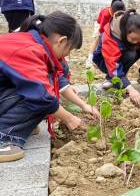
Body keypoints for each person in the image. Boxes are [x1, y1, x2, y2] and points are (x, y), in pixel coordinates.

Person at [0, 11, 98, 163]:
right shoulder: (29, 50)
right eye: (69, 50)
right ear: (62, 41)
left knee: (45, 91)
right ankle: (5, 136)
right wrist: (69, 118)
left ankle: (18, 124)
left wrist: (84, 106)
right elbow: (41, 95)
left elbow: (57, 79)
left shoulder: (34, 42)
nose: (66, 56)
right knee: (41, 96)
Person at [93, 9, 140, 106]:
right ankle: (111, 79)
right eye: (133, 39)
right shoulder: (112, 36)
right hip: (105, 60)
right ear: (125, 31)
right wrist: (131, 89)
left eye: (139, 39)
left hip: (125, 50)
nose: (136, 41)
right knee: (131, 54)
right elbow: (113, 65)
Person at [85, 0, 126, 68]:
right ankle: (90, 59)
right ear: (113, 11)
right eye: (117, 13)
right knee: (97, 39)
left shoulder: (122, 11)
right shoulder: (106, 14)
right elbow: (101, 29)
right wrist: (103, 38)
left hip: (111, 23)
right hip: (100, 24)